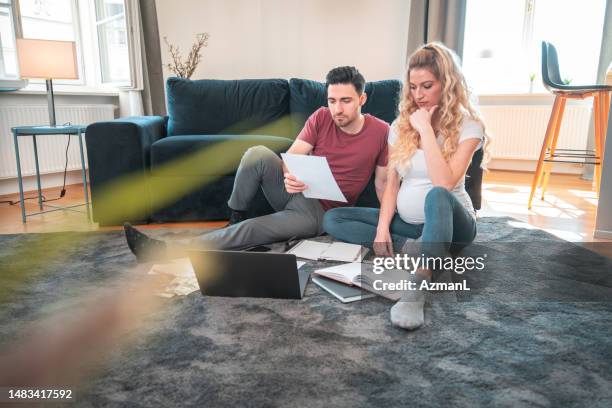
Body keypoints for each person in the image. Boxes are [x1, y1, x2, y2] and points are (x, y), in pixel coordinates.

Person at [124, 66, 389, 261]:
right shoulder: (321, 117)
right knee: (257, 153)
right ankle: (234, 216)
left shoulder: (382, 132)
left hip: (319, 213)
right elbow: (294, 155)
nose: (337, 110)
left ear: (362, 100)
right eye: (332, 101)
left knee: (254, 228)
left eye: (346, 101)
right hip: (296, 191)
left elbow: (383, 183)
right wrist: (289, 174)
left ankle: (168, 251)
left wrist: (384, 226)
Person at [323, 43, 490, 331]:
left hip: (453, 223)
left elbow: (444, 183)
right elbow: (392, 184)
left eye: (427, 86)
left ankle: (417, 288)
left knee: (437, 194)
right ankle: (414, 249)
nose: (419, 95)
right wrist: (382, 228)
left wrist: (425, 129)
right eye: (413, 87)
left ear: (447, 84)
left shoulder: (469, 125)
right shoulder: (401, 125)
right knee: (333, 218)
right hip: (409, 225)